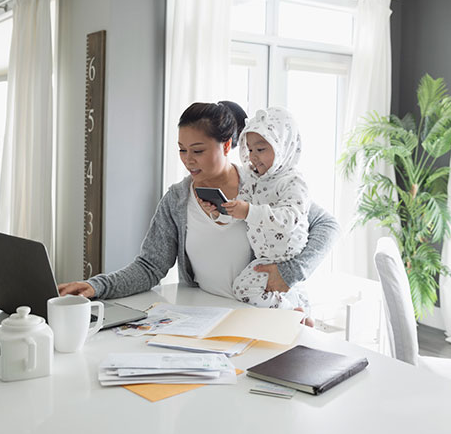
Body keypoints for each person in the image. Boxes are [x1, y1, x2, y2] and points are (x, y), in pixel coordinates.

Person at [57, 101, 338, 307]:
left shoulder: (262, 183)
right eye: (181, 150)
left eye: (198, 151)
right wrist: (97, 286)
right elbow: (149, 267)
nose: (188, 160)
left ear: (227, 146)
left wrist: (292, 272)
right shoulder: (178, 200)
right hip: (204, 320)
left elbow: (327, 225)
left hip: (262, 316)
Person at [221, 107, 310, 310]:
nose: (253, 157)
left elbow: (289, 219)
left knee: (243, 290)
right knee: (244, 289)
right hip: (266, 257)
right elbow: (242, 204)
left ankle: (294, 311)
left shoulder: (293, 181)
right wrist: (223, 210)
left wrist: (249, 211)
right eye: (250, 150)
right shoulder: (255, 178)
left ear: (283, 147)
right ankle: (296, 307)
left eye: (260, 150)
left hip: (288, 256)